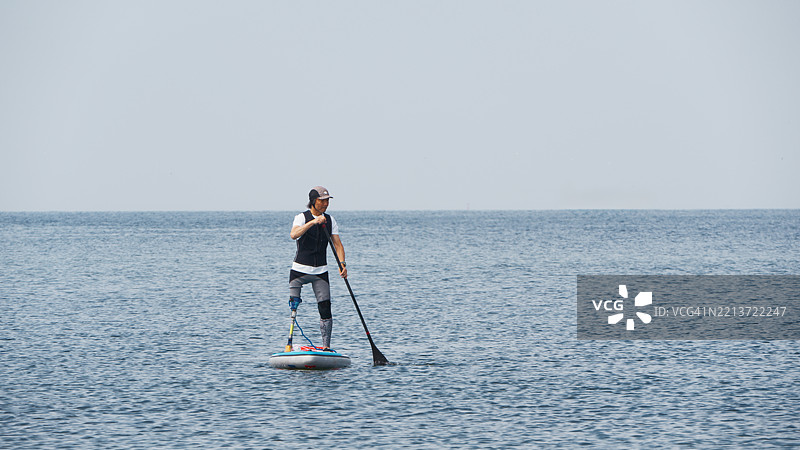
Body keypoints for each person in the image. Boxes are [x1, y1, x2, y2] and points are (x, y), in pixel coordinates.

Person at [288, 186, 347, 350]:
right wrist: (313, 222)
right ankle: (289, 343)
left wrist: (342, 264)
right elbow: (294, 234)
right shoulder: (301, 217)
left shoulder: (330, 220)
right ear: (313, 201)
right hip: (298, 271)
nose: (326, 204)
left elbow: (338, 245)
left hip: (320, 272)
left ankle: (326, 347)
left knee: (325, 308)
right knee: (293, 306)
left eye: (327, 201)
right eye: (322, 201)